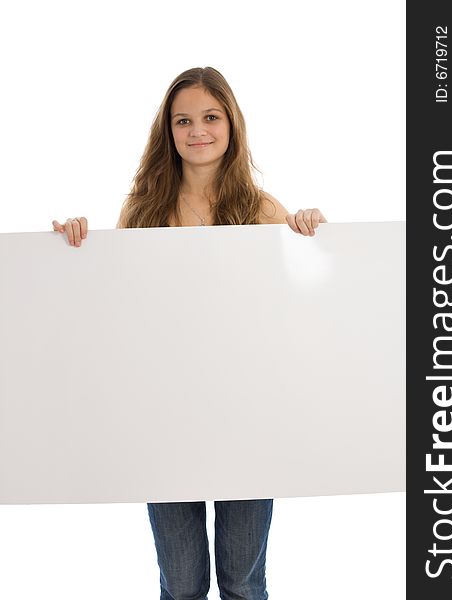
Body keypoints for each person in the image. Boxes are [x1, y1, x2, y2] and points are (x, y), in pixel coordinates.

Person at [52, 66, 326, 600]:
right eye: (183, 120)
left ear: (231, 124)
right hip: (165, 417)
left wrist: (307, 227)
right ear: (168, 131)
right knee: (180, 584)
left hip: (247, 416)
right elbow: (110, 300)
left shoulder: (261, 210)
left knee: (243, 582)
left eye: (210, 117)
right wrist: (72, 243)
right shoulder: (144, 210)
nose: (196, 130)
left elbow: (299, 297)